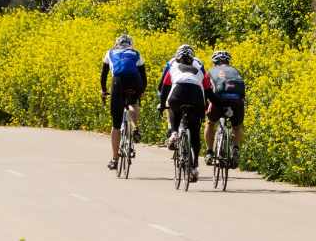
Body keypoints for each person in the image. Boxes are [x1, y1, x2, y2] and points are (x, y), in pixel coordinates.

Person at [157, 44, 210, 183]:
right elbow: (207, 88)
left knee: (172, 107)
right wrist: (206, 106)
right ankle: (194, 166)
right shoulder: (199, 65)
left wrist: (162, 105)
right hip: (196, 97)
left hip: (177, 94)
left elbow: (163, 87)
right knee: (195, 132)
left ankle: (174, 132)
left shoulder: (172, 65)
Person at [100, 34, 146, 170]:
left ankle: (115, 159)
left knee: (116, 125)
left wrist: (104, 91)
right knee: (133, 103)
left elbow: (103, 75)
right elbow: (143, 76)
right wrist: (141, 91)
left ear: (117, 44)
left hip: (118, 81)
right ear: (130, 44)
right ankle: (135, 127)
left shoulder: (110, 53)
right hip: (134, 81)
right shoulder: (136, 53)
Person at [204, 50, 246, 166]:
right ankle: (235, 149)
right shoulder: (235, 71)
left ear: (214, 62)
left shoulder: (211, 71)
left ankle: (209, 152)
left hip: (219, 100)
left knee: (210, 123)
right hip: (236, 101)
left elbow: (207, 90)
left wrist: (206, 105)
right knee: (236, 127)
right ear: (228, 62)